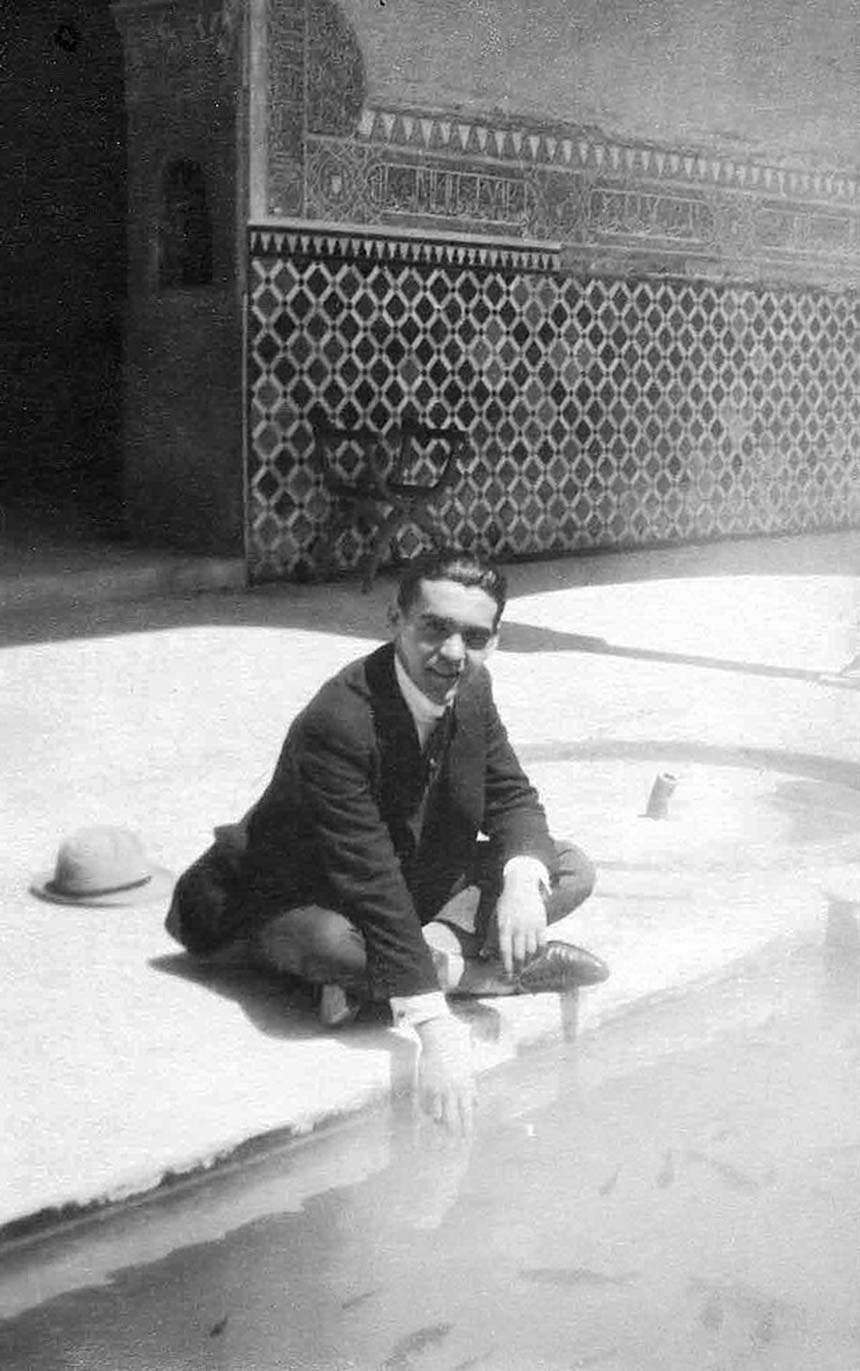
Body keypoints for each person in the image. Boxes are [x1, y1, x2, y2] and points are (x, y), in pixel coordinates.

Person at [166, 547, 608, 1134]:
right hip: (310, 892)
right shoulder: (338, 721)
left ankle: (397, 970)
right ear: (396, 621)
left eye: (475, 637)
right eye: (434, 628)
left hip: (413, 875)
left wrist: (523, 878)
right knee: (327, 944)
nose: (453, 653)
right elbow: (369, 881)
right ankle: (476, 976)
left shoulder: (473, 688)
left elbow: (511, 796)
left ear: (495, 641)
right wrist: (436, 1027)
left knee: (568, 865)